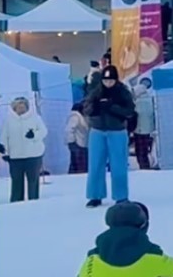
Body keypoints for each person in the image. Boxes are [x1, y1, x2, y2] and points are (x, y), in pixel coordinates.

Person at [82, 63, 137, 208]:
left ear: (116, 80)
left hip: (117, 131)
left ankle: (121, 196)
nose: (108, 83)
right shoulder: (96, 92)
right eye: (106, 81)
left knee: (119, 165)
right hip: (97, 131)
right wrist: (94, 108)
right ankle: (95, 195)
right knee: (95, 165)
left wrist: (113, 108)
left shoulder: (123, 92)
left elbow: (130, 110)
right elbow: (86, 107)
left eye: (111, 81)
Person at [0, 95, 49, 202]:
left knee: (33, 180)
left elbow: (43, 132)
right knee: (16, 181)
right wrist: (4, 150)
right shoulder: (8, 121)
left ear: (27, 107)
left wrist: (34, 135)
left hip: (33, 155)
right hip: (15, 157)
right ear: (14, 108)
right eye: (18, 107)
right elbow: (4, 137)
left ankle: (34, 200)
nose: (21, 109)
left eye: (23, 107)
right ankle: (16, 201)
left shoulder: (35, 118)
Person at [131, 77, 159, 170]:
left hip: (139, 130)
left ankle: (144, 167)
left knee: (140, 151)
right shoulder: (150, 100)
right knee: (146, 151)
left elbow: (135, 115)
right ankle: (146, 166)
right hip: (149, 130)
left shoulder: (138, 102)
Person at [66, 104, 89, 175]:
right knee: (78, 165)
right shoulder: (75, 116)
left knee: (78, 164)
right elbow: (69, 130)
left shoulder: (83, 117)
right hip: (76, 143)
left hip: (82, 144)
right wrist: (72, 142)